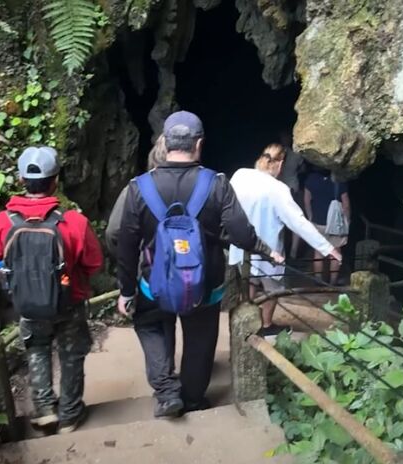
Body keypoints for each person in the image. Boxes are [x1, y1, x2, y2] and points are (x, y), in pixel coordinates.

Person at [116, 111, 283, 418]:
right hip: (204, 285)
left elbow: (124, 242)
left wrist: (126, 290)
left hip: (153, 283)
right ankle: (193, 399)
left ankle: (167, 393)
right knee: (200, 341)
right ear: (199, 144)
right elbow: (241, 234)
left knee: (152, 326)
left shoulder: (139, 187)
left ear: (164, 143)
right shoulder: (216, 184)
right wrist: (265, 250)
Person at [0, 146, 104, 434]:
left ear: (20, 179)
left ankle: (45, 409)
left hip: (27, 304)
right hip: (69, 302)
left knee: (37, 351)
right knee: (71, 355)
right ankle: (69, 415)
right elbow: (94, 263)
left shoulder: (3, 223)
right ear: (55, 181)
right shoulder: (74, 222)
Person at [228, 144, 342, 336]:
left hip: (242, 247)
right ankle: (265, 326)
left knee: (249, 282)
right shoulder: (278, 189)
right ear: (280, 164)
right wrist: (328, 248)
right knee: (274, 289)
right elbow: (298, 222)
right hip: (270, 252)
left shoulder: (240, 176)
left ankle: (243, 321)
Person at [304, 166, 350, 284]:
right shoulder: (338, 180)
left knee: (318, 252)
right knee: (335, 253)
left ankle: (318, 280)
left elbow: (307, 199)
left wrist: (310, 216)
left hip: (317, 221)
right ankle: (333, 282)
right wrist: (347, 221)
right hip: (334, 224)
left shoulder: (311, 179)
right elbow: (345, 204)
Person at [276, 132, 306, 258]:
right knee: (295, 221)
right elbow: (303, 169)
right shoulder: (296, 154)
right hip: (292, 189)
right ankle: (293, 252)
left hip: (279, 190)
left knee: (279, 222)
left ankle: (280, 250)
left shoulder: (276, 154)